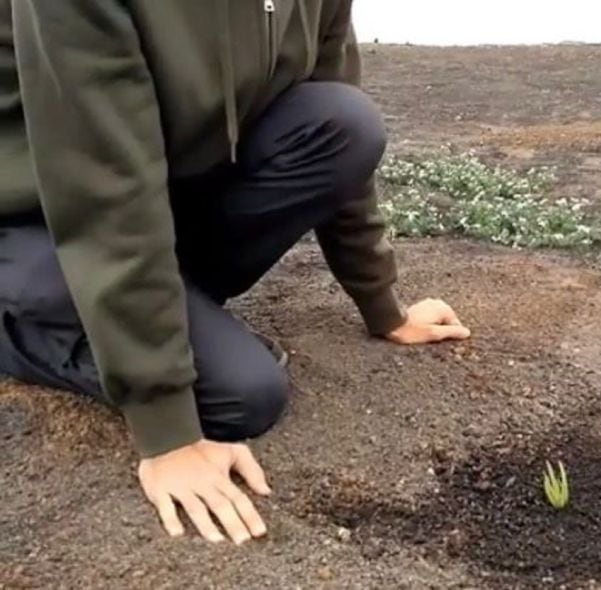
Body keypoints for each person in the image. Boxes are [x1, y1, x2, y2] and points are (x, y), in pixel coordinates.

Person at [0, 0, 470, 545]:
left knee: (345, 124)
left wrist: (381, 300)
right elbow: (108, 187)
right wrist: (166, 429)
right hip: (37, 216)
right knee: (240, 393)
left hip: (160, 198)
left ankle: (164, 310)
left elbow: (331, 93)